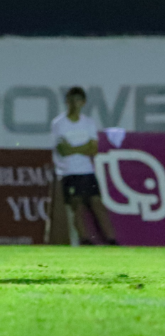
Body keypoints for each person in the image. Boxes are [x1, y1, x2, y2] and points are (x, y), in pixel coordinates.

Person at [51, 87, 118, 245]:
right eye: (72, 100)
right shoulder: (59, 123)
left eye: (78, 100)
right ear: (67, 102)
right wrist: (83, 147)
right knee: (77, 205)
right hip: (69, 172)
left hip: (87, 171)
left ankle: (111, 240)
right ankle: (85, 239)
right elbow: (62, 150)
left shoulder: (88, 123)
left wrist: (73, 148)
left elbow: (93, 149)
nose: (75, 104)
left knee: (97, 203)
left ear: (83, 102)